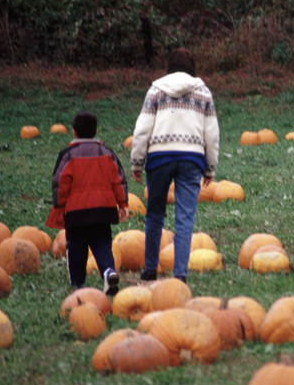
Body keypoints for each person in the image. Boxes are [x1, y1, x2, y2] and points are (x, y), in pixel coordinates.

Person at [130, 48, 220, 284]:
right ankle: (180, 273)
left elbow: (142, 128)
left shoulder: (156, 90)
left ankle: (150, 268)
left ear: (168, 66)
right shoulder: (203, 92)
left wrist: (137, 162)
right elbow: (211, 133)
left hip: (159, 158)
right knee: (185, 217)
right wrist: (210, 168)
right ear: (193, 68)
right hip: (192, 160)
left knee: (154, 214)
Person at [46, 111, 129, 296]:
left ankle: (78, 285)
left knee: (76, 247)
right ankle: (109, 271)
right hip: (103, 210)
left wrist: (59, 203)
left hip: (77, 212)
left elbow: (60, 181)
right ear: (96, 131)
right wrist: (123, 203)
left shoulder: (68, 155)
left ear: (74, 132)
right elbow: (119, 179)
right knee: (102, 245)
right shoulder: (107, 153)